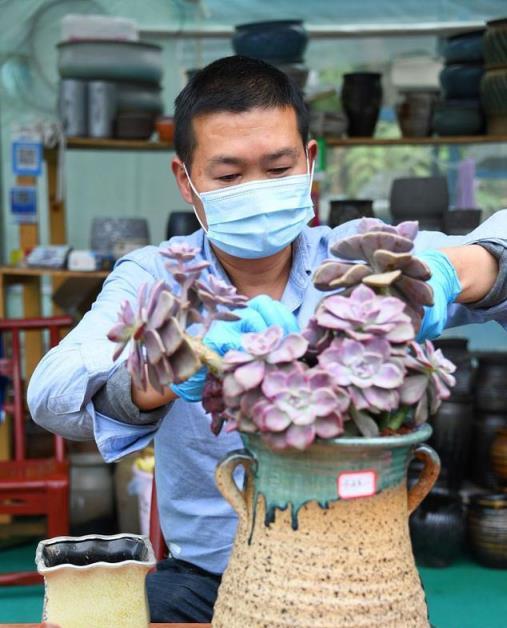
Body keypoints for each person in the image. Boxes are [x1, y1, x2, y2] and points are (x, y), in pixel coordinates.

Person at [28, 56, 507, 623]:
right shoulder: (157, 277)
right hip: (205, 577)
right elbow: (50, 393)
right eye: (229, 177)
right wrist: (167, 368)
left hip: (353, 563)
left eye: (278, 168)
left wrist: (459, 269)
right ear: (187, 180)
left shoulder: (358, 255)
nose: (255, 190)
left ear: (309, 162)